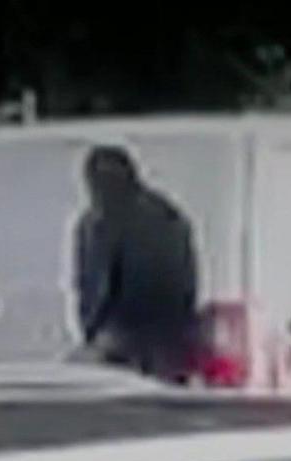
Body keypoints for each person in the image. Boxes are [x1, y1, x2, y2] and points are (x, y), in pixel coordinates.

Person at [73, 146, 199, 382]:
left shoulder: (103, 219)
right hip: (174, 339)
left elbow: (97, 283)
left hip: (123, 339)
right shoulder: (169, 214)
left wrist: (94, 332)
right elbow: (188, 281)